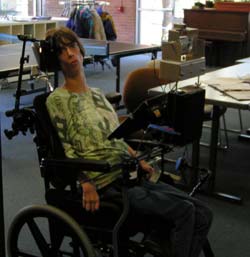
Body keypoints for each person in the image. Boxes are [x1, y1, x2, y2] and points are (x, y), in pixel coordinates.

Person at [45, 26, 213, 257]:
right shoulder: (57, 100)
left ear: (81, 51)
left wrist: (136, 157)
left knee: (204, 213)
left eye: (72, 46)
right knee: (185, 211)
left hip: (129, 172)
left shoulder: (97, 95)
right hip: (106, 182)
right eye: (62, 51)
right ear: (57, 60)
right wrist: (85, 180)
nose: (70, 54)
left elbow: (115, 136)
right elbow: (67, 147)